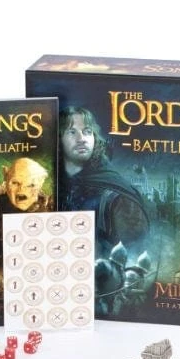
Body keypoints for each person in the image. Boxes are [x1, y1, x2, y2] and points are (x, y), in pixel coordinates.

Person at [58, 106, 149, 257]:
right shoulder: (54, 186)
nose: (81, 139)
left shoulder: (119, 198)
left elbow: (131, 256)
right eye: (72, 132)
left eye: (87, 131)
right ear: (59, 139)